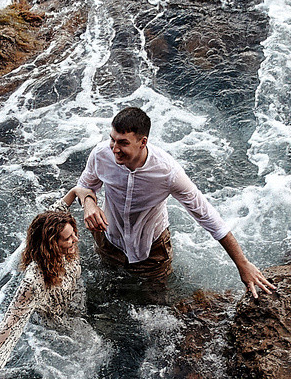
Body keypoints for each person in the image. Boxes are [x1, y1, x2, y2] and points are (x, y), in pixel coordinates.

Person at [67, 105, 274, 298]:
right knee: (108, 292)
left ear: (143, 142)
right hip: (109, 239)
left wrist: (242, 264)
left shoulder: (167, 173)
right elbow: (83, 188)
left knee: (155, 302)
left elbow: (207, 215)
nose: (114, 149)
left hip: (152, 250)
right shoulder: (101, 155)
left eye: (123, 143)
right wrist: (89, 203)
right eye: (112, 139)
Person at [0, 208, 86, 379]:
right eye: (68, 238)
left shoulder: (62, 241)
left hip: (74, 300)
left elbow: (61, 205)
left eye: (73, 233)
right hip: (56, 322)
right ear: (51, 244)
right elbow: (10, 322)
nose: (75, 239)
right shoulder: (34, 281)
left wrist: (79, 192)